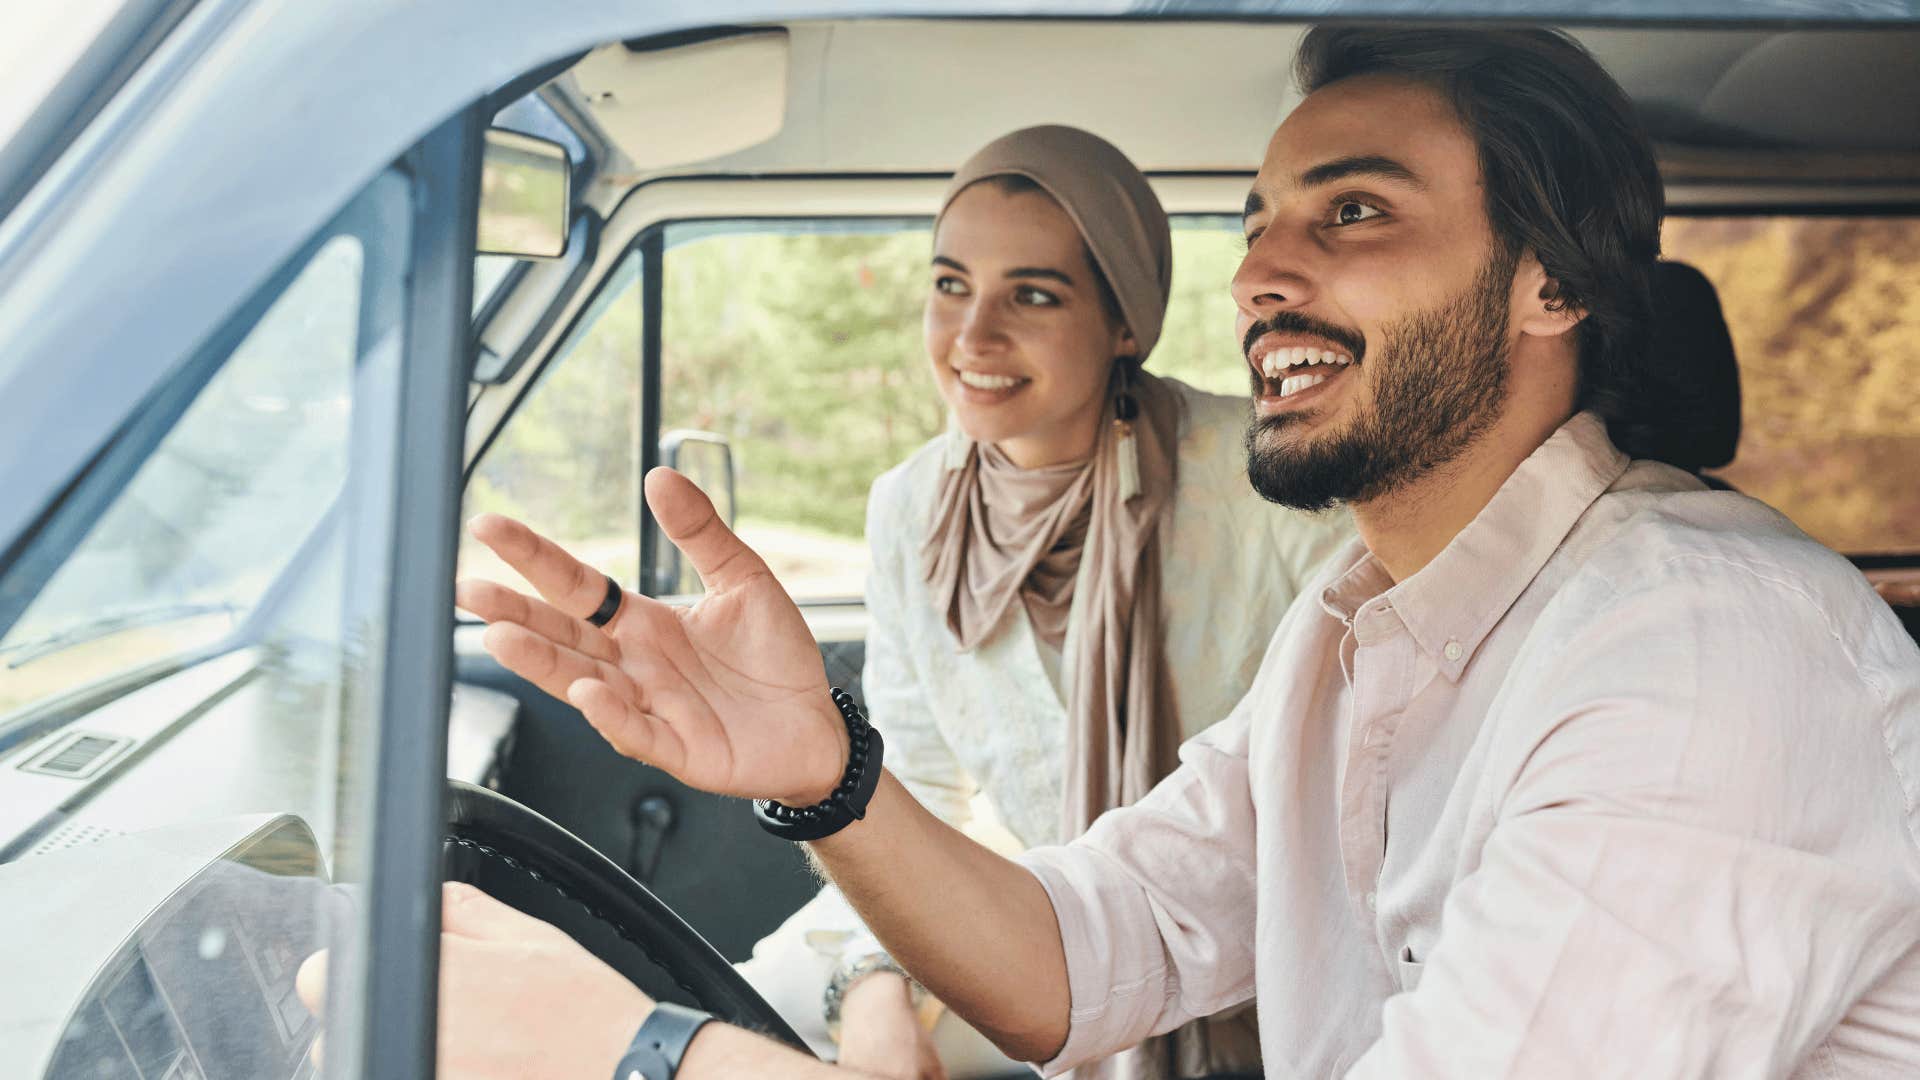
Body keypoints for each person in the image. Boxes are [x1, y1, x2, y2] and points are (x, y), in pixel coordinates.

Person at [300, 25, 1920, 1079]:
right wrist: (828, 774)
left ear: (1552, 288)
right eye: (1265, 220)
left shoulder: (1703, 654)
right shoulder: (1362, 630)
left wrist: (646, 1058)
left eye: (1351, 215)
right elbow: (1098, 948)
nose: (1268, 270)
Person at [736, 124, 1350, 1080]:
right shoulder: (912, 509)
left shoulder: (1268, 477)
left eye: (1032, 294)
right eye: (950, 286)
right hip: (1047, 950)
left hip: (1282, 978)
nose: (973, 337)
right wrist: (867, 985)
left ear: (1125, 324)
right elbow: (915, 793)